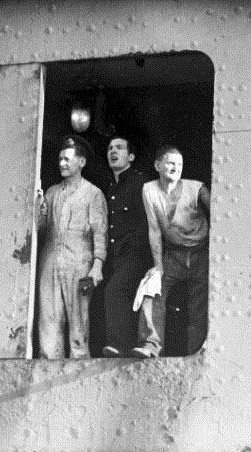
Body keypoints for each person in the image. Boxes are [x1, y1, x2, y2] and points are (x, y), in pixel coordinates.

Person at [132, 145, 210, 358]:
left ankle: (195, 353)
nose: (176, 168)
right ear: (158, 165)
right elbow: (154, 229)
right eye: (170, 163)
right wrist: (158, 266)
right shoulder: (149, 190)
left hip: (200, 254)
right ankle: (151, 345)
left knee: (198, 306)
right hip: (172, 255)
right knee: (151, 288)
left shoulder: (197, 189)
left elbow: (219, 218)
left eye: (179, 164)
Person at [36, 135, 108, 359]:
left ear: (81, 163)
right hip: (50, 264)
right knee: (48, 322)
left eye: (67, 159)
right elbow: (40, 230)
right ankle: (48, 368)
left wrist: (97, 267)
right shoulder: (51, 192)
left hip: (78, 264)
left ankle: (78, 368)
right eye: (60, 159)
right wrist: (38, 207)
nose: (62, 164)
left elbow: (100, 233)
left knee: (78, 327)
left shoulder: (93, 193)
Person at [101, 136, 153, 357]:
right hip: (117, 255)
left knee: (115, 290)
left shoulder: (140, 183)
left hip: (135, 254)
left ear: (131, 156)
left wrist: (133, 244)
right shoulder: (111, 187)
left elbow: (147, 221)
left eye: (119, 148)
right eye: (110, 148)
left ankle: (119, 345)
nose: (113, 152)